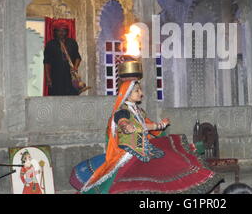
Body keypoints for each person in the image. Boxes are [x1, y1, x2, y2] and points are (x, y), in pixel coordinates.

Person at [70, 80, 223, 194]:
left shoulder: (139, 111)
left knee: (171, 155)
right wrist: (126, 125)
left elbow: (146, 125)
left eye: (140, 90)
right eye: (137, 91)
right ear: (128, 94)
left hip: (144, 146)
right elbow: (121, 120)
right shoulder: (123, 110)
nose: (141, 93)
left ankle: (198, 162)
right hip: (130, 153)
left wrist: (159, 126)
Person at [43, 20, 82, 95]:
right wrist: (48, 78)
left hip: (70, 75)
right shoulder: (50, 44)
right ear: (55, 32)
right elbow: (46, 62)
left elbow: (78, 57)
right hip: (55, 76)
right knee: (57, 96)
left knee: (71, 96)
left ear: (67, 32)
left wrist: (75, 67)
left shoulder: (72, 42)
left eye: (63, 30)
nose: (61, 33)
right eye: (59, 31)